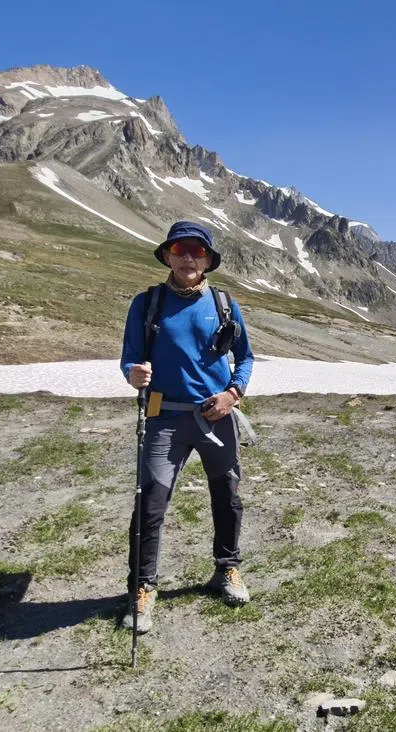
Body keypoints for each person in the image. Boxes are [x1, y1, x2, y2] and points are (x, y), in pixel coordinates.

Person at [119, 220, 254, 633]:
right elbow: (129, 359)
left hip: (217, 416)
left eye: (198, 251)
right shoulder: (147, 304)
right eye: (180, 250)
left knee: (227, 494)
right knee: (150, 501)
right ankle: (142, 587)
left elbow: (245, 357)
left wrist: (233, 394)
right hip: (164, 416)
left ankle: (227, 568)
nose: (189, 258)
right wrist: (133, 375)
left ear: (208, 260)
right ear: (167, 256)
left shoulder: (224, 303)